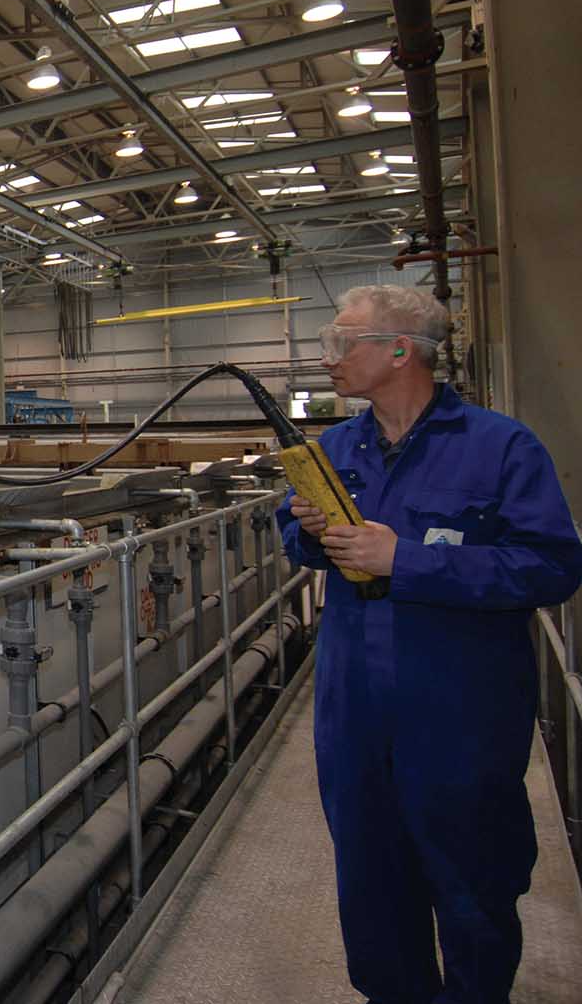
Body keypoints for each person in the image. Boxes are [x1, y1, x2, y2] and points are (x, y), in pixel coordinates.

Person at [278, 283, 582, 1004]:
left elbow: (552, 566)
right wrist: (310, 533)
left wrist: (405, 559)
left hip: (462, 719)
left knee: (474, 888)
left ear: (398, 351)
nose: (328, 360)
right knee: (373, 889)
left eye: (341, 342)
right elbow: (295, 542)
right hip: (354, 716)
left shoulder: (500, 445)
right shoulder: (334, 446)